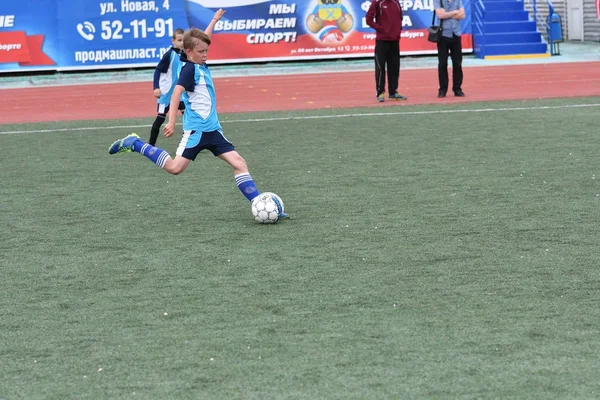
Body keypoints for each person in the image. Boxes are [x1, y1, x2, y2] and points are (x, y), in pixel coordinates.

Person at [108, 10, 287, 219]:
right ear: (190, 52)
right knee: (175, 168)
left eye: (206, 51)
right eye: (201, 51)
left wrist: (214, 20)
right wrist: (172, 121)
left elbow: (203, 39)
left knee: (239, 163)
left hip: (213, 130)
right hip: (196, 132)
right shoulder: (189, 70)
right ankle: (135, 143)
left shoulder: (200, 61)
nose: (205, 54)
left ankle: (260, 204)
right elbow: (176, 93)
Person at [149, 28, 186, 146]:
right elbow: (158, 70)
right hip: (166, 94)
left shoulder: (184, 55)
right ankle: (150, 145)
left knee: (188, 116)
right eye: (179, 40)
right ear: (173, 41)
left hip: (179, 94)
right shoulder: (169, 55)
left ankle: (189, 143)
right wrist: (156, 87)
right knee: (160, 118)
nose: (182, 43)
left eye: (184, 40)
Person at [365, 0, 408, 103]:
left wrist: (398, 30)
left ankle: (393, 92)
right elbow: (368, 19)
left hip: (395, 40)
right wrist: (380, 28)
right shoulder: (377, 3)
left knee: (394, 67)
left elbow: (400, 18)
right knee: (380, 67)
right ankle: (380, 92)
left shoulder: (396, 3)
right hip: (382, 41)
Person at [433, 0, 465, 98]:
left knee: (457, 63)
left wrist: (446, 14)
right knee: (442, 64)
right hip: (442, 35)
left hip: (456, 34)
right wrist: (455, 12)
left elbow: (463, 15)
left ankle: (457, 89)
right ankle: (442, 89)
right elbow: (439, 15)